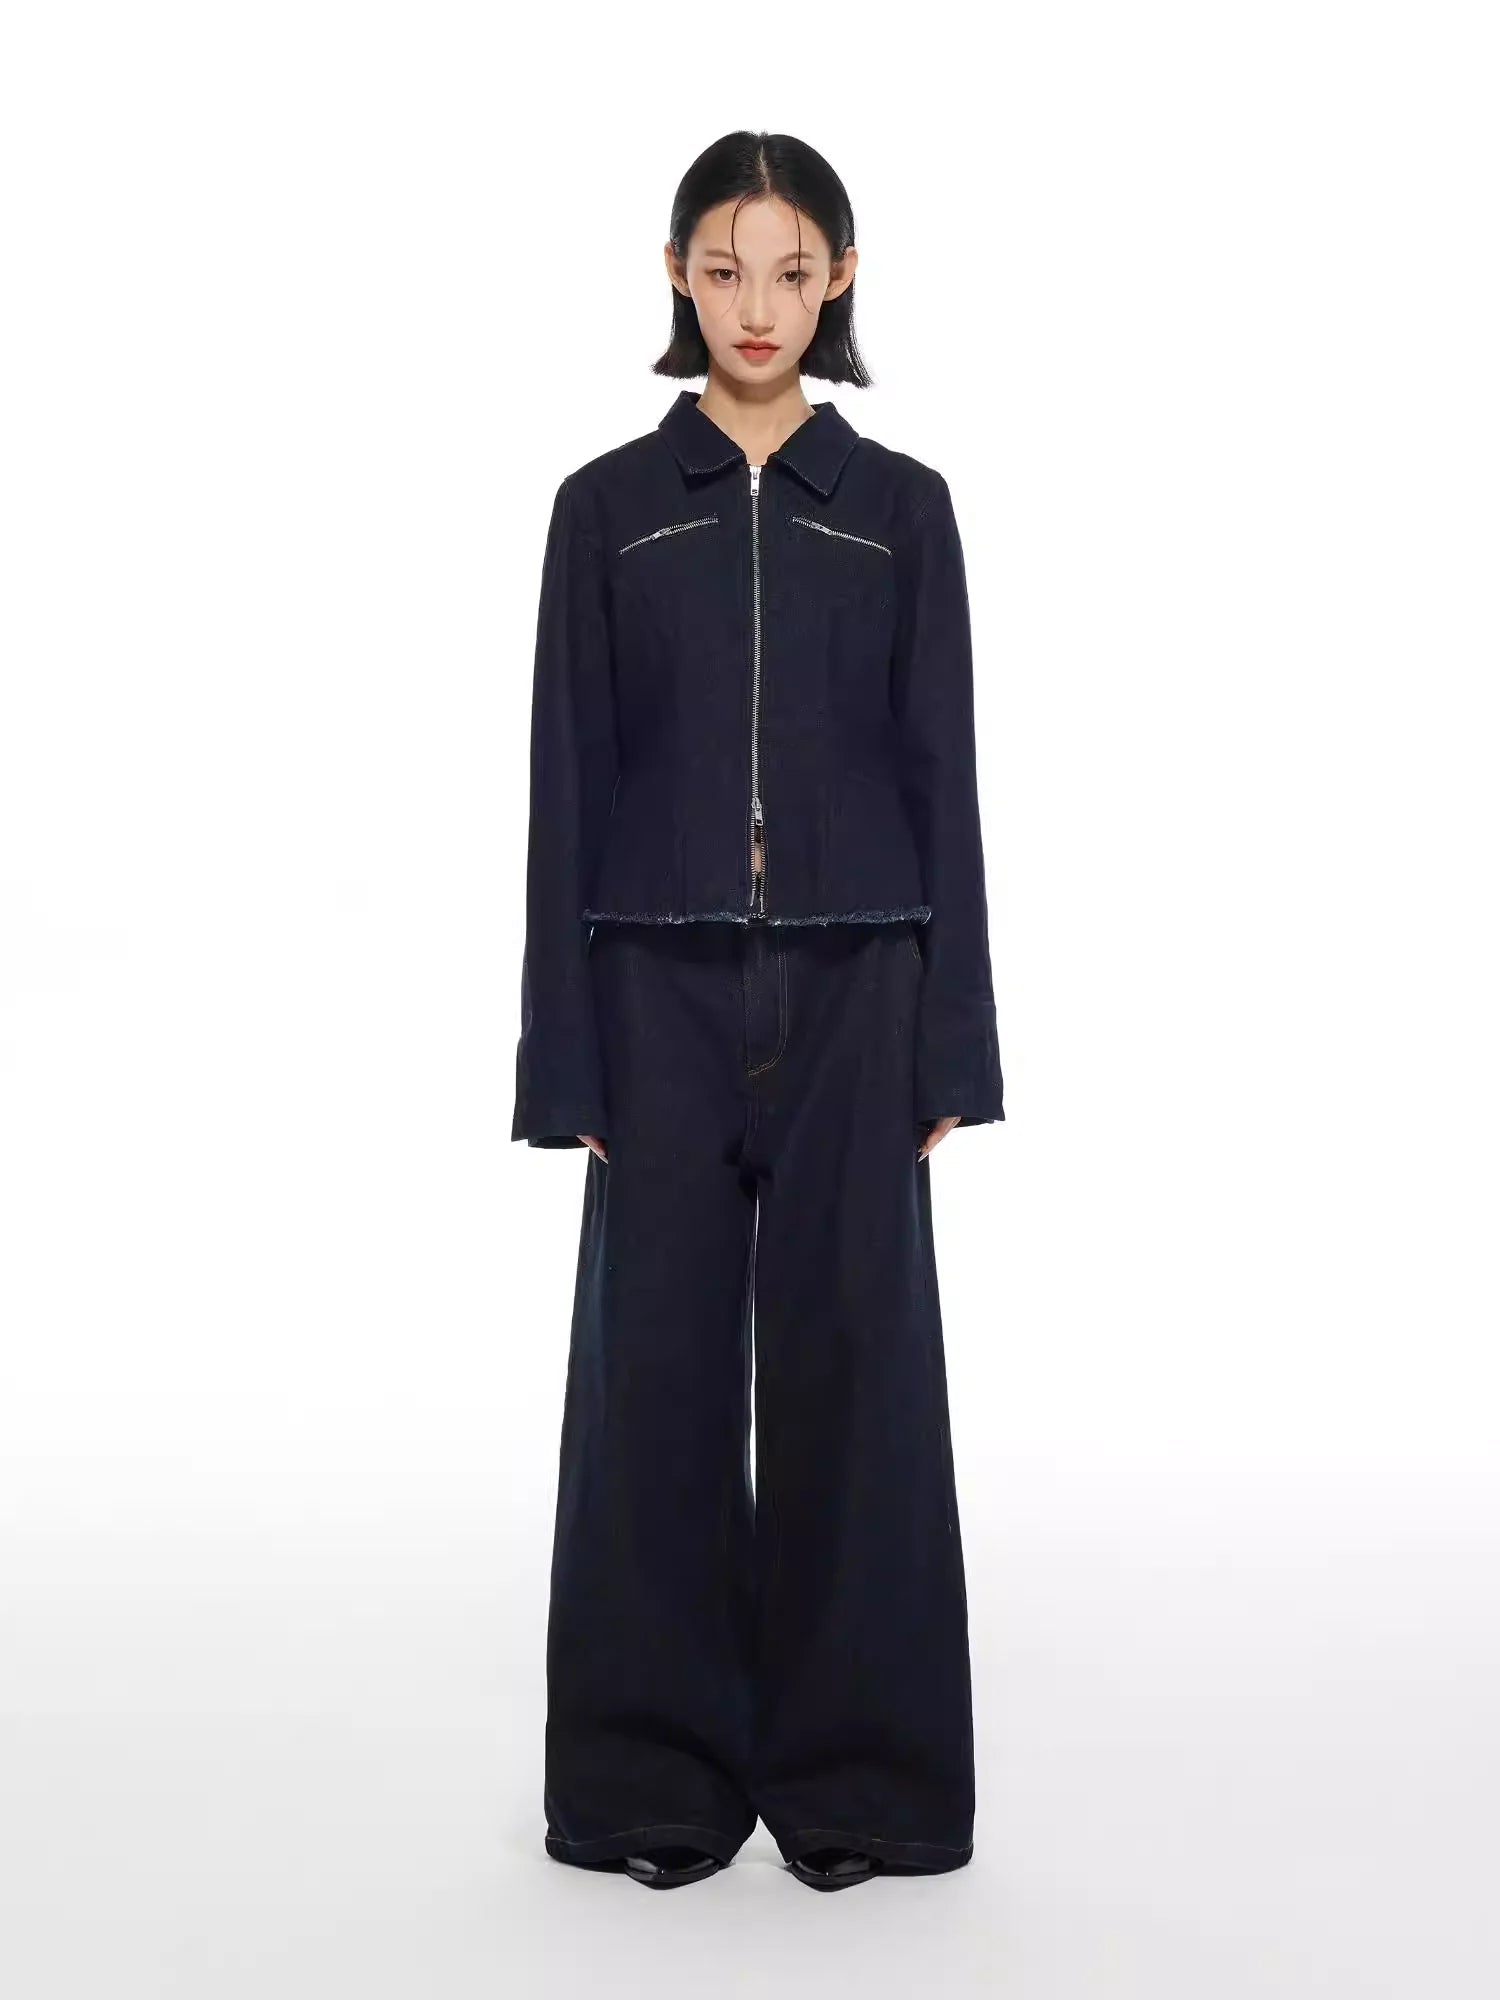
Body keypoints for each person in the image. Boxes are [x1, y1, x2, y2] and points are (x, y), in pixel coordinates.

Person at [511, 130, 1006, 1894]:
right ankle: (648, 1780)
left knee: (858, 1371)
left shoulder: (900, 509)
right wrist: (562, 1051)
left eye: (791, 271)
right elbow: (569, 782)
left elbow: (945, 777)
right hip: (648, 985)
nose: (757, 305)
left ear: (840, 279)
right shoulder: (604, 508)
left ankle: (866, 1781)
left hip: (865, 982)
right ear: (676, 275)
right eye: (724, 269)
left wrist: (954, 1038)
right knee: (648, 1377)